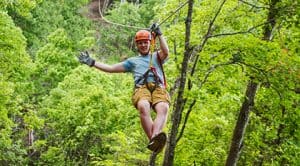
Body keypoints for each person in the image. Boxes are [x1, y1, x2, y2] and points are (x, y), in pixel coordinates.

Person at [78, 23, 170, 153]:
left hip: (158, 87)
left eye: (145, 42)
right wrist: (92, 62)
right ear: (137, 45)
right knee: (143, 105)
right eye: (140, 43)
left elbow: (166, 52)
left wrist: (160, 35)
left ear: (150, 43)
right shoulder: (132, 61)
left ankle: (155, 137)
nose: (143, 45)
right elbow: (111, 68)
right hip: (141, 88)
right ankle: (154, 138)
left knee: (163, 107)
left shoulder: (156, 56)